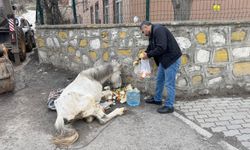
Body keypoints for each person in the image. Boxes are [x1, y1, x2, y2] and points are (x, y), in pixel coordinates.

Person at [140, 21, 182, 113]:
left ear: (146, 27)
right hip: (164, 60)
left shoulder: (159, 30)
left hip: (171, 59)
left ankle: (169, 106)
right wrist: (146, 53)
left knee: (169, 84)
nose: (143, 34)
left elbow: (161, 47)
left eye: (143, 31)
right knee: (159, 80)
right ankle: (157, 99)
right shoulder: (152, 33)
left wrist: (149, 55)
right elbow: (151, 46)